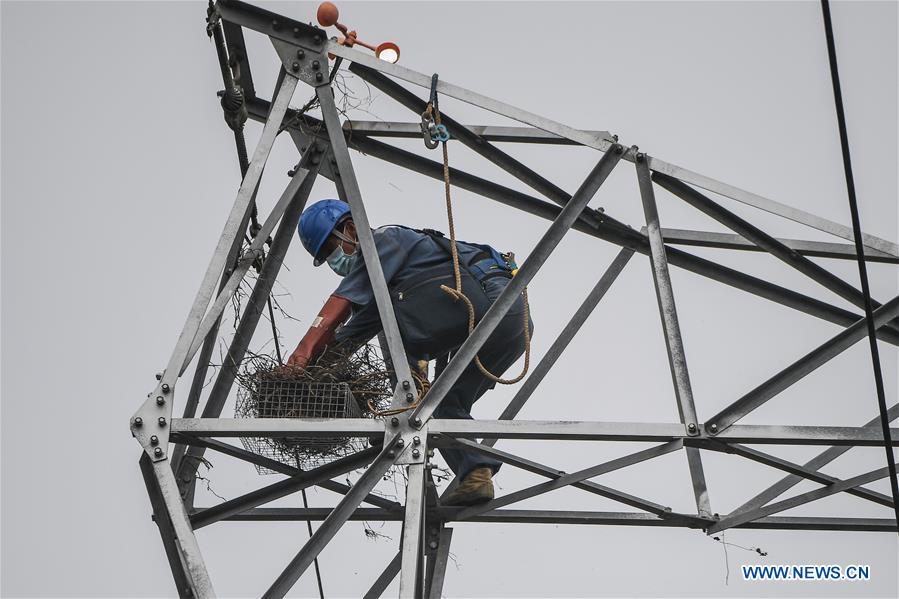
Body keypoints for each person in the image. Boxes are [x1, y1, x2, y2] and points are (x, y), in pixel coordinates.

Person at [287, 199, 533, 506]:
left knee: (388, 315)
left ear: (351, 229)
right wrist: (316, 372)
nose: (334, 260)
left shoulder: (386, 240)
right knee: (439, 404)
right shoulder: (388, 281)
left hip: (490, 304)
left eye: (331, 250)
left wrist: (302, 353)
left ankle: (404, 400)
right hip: (512, 325)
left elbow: (343, 302)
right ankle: (475, 474)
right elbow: (350, 333)